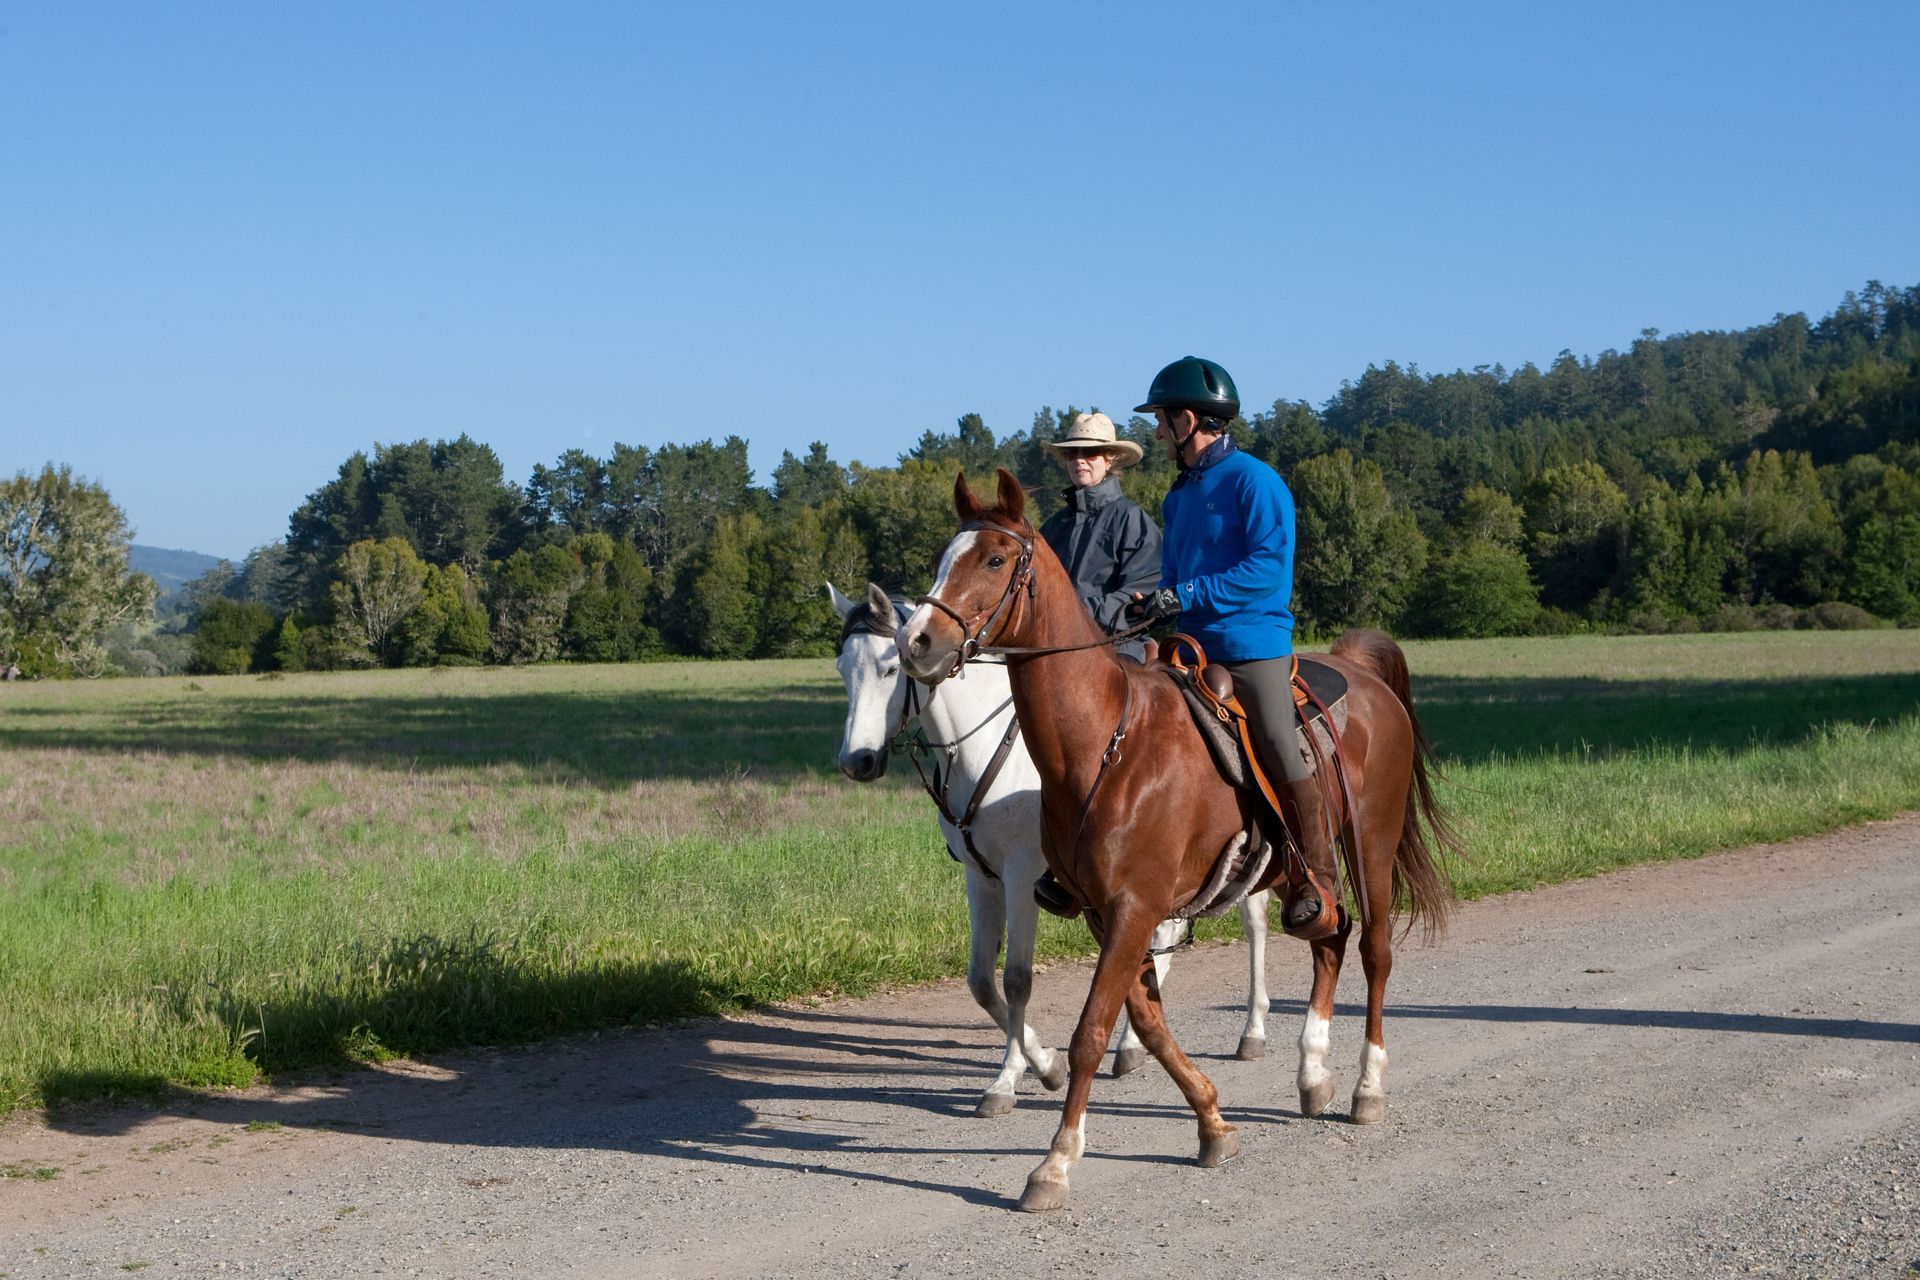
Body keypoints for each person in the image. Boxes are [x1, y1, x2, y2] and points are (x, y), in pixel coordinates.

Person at [1125, 355, 1341, 940]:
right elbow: (1175, 577)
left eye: (1162, 419)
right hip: (1188, 646)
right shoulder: (1178, 496)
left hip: (1250, 644)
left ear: (1189, 419)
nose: (1158, 429)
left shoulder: (1255, 481)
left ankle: (1318, 879)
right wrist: (1154, 602)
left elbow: (1266, 570)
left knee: (1274, 735)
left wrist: (1186, 593)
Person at [1037, 411, 1161, 663]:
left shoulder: (1132, 518)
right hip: (1051, 647)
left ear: (1109, 461)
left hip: (1117, 645)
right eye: (1072, 453)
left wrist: (1073, 613)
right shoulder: (1053, 527)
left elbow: (1142, 591)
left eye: (1089, 452)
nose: (1079, 460)